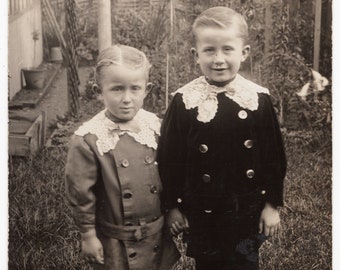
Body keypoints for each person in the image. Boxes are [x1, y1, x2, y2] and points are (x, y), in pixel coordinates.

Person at [157, 6, 287, 270]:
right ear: (195, 55)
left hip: (246, 206)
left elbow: (274, 156)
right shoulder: (185, 100)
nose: (219, 59)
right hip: (203, 208)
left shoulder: (256, 98)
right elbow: (169, 159)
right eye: (209, 50)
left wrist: (272, 204)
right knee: (208, 262)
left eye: (227, 49)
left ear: (244, 52)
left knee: (245, 261)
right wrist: (173, 206)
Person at [65, 44, 179, 270]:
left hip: (155, 233)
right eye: (117, 89)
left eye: (134, 88)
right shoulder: (90, 139)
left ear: (147, 89)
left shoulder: (155, 126)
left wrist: (175, 208)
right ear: (99, 91)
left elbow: (171, 173)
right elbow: (80, 193)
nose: (127, 98)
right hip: (116, 240)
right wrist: (88, 234)